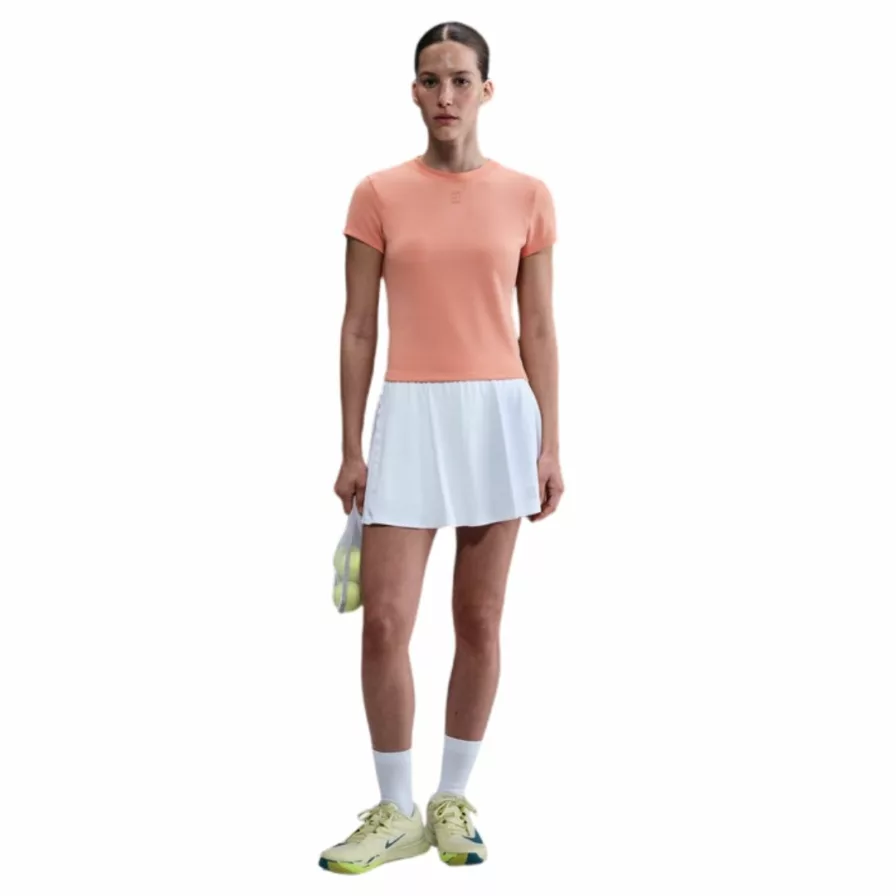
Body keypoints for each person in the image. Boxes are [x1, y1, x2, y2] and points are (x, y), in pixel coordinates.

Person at [319, 21, 563, 874]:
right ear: (414, 91)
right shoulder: (377, 194)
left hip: (498, 416)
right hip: (411, 417)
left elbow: (539, 326)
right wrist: (350, 446)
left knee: (480, 618)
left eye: (461, 79)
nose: (446, 95)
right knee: (384, 620)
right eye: (431, 80)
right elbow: (358, 327)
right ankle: (396, 810)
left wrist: (551, 443)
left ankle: (452, 799)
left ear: (486, 90)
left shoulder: (528, 195)